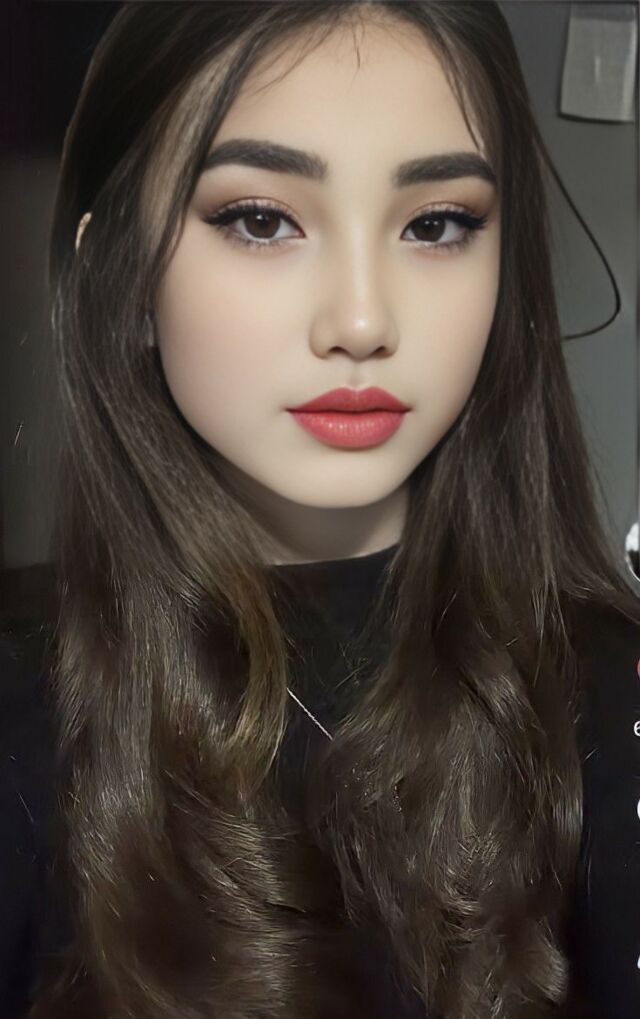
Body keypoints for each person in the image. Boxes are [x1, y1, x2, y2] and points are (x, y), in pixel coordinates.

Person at [1, 1, 639, 1016]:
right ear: (114, 267)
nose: (362, 319)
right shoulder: (27, 709)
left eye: (437, 224)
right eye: (261, 220)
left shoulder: (605, 694)